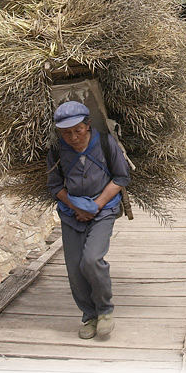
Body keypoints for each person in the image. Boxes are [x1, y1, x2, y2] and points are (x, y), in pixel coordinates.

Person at [46, 100, 130, 340]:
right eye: (66, 132)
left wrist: (95, 205)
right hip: (71, 213)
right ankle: (89, 316)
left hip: (103, 210)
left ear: (88, 125)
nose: (72, 137)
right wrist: (76, 207)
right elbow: (54, 186)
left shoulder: (105, 143)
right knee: (74, 269)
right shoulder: (56, 150)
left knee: (91, 260)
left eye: (78, 130)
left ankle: (104, 311)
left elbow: (121, 178)